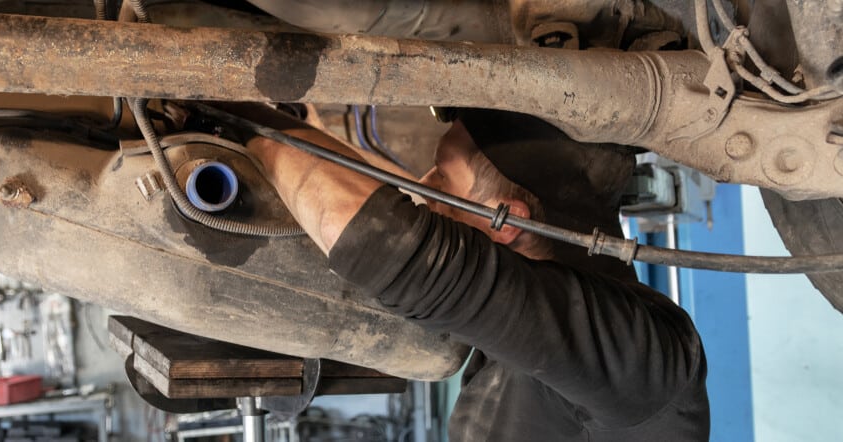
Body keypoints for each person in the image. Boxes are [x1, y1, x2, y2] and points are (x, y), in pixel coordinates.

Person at [223, 104, 710, 441]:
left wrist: (237, 117)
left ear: (506, 220)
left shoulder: (646, 371)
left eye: (441, 179)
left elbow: (388, 245)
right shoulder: (582, 346)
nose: (423, 187)